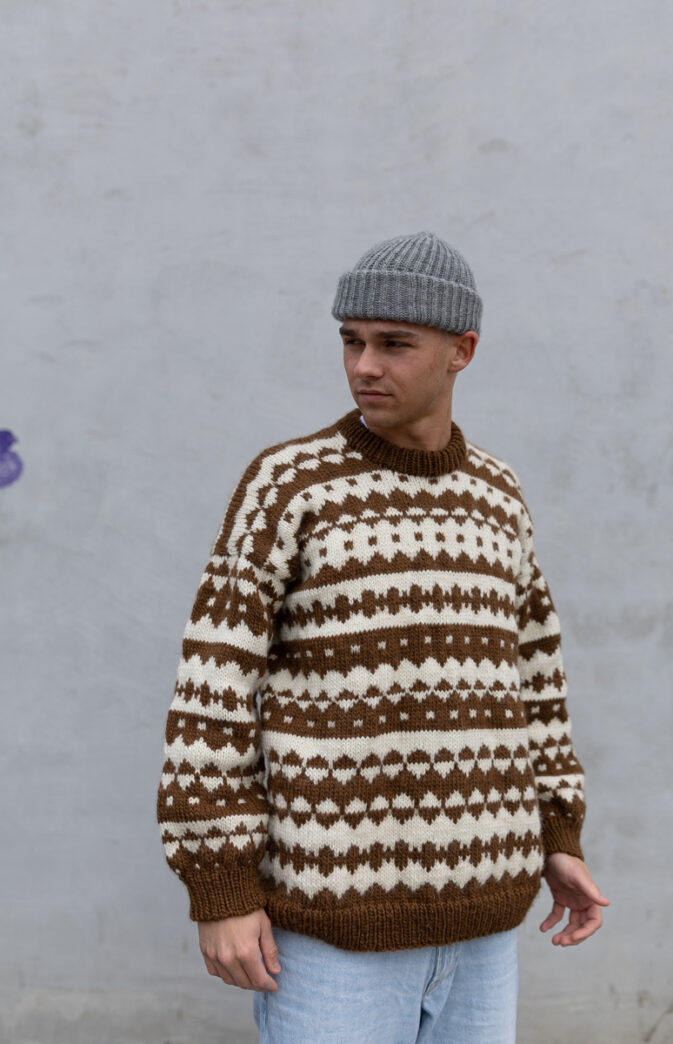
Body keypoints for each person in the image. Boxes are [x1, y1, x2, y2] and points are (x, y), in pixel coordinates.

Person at [156, 231, 609, 1043]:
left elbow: (534, 682)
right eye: (351, 340)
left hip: (485, 923)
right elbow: (211, 695)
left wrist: (557, 835)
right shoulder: (289, 486)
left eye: (393, 344)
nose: (364, 365)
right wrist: (220, 889)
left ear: (461, 350)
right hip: (332, 932)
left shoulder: (497, 495)